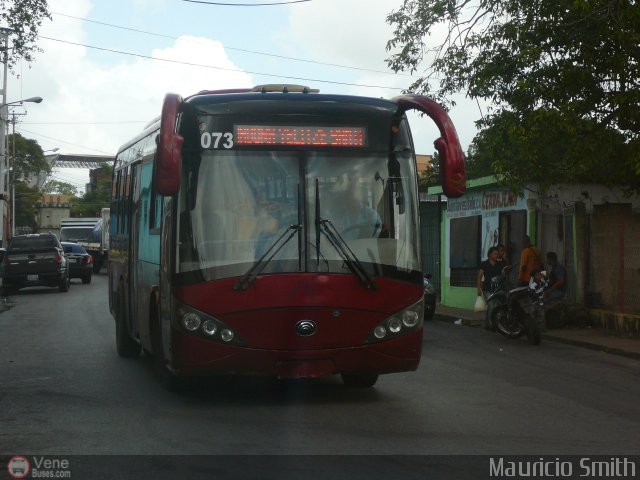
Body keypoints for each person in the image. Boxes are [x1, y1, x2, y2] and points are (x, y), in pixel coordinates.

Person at [476, 246, 506, 331]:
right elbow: (479, 276)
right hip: (487, 288)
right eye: (495, 254)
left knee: (496, 306)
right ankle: (492, 325)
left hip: (497, 289)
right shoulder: (484, 264)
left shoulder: (500, 264)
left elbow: (502, 277)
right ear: (489, 254)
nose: (496, 255)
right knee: (492, 305)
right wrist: (478, 289)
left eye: (497, 254)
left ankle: (487, 324)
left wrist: (503, 274)